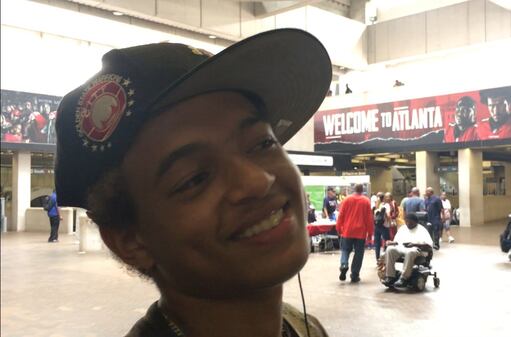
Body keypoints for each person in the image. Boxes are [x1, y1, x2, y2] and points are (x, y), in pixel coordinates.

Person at [53, 29, 331, 337]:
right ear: (131, 241)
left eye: (262, 144)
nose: (256, 180)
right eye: (195, 178)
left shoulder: (303, 328)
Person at [382, 213, 433, 288]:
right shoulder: (403, 228)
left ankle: (404, 278)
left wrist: (414, 244)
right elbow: (397, 242)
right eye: (406, 222)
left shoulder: (422, 230)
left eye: (410, 222)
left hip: (417, 250)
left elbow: (429, 246)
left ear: (416, 222)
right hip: (402, 249)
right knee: (390, 249)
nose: (408, 224)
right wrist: (391, 242)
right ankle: (390, 277)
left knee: (410, 251)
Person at [335, 184, 374, 283]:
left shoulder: (347, 200)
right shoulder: (366, 201)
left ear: (354, 189)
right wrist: (370, 233)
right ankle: (354, 275)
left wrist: (338, 228)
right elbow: (369, 219)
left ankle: (344, 264)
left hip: (347, 231)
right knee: (359, 254)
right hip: (360, 233)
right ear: (363, 190)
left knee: (345, 250)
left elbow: (341, 215)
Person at [372, 193, 390, 261]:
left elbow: (374, 217)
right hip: (384, 226)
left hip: (377, 226)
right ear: (384, 198)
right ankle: (385, 257)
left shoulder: (376, 206)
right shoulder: (386, 205)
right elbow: (388, 216)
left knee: (377, 243)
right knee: (387, 241)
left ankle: (378, 258)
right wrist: (389, 221)